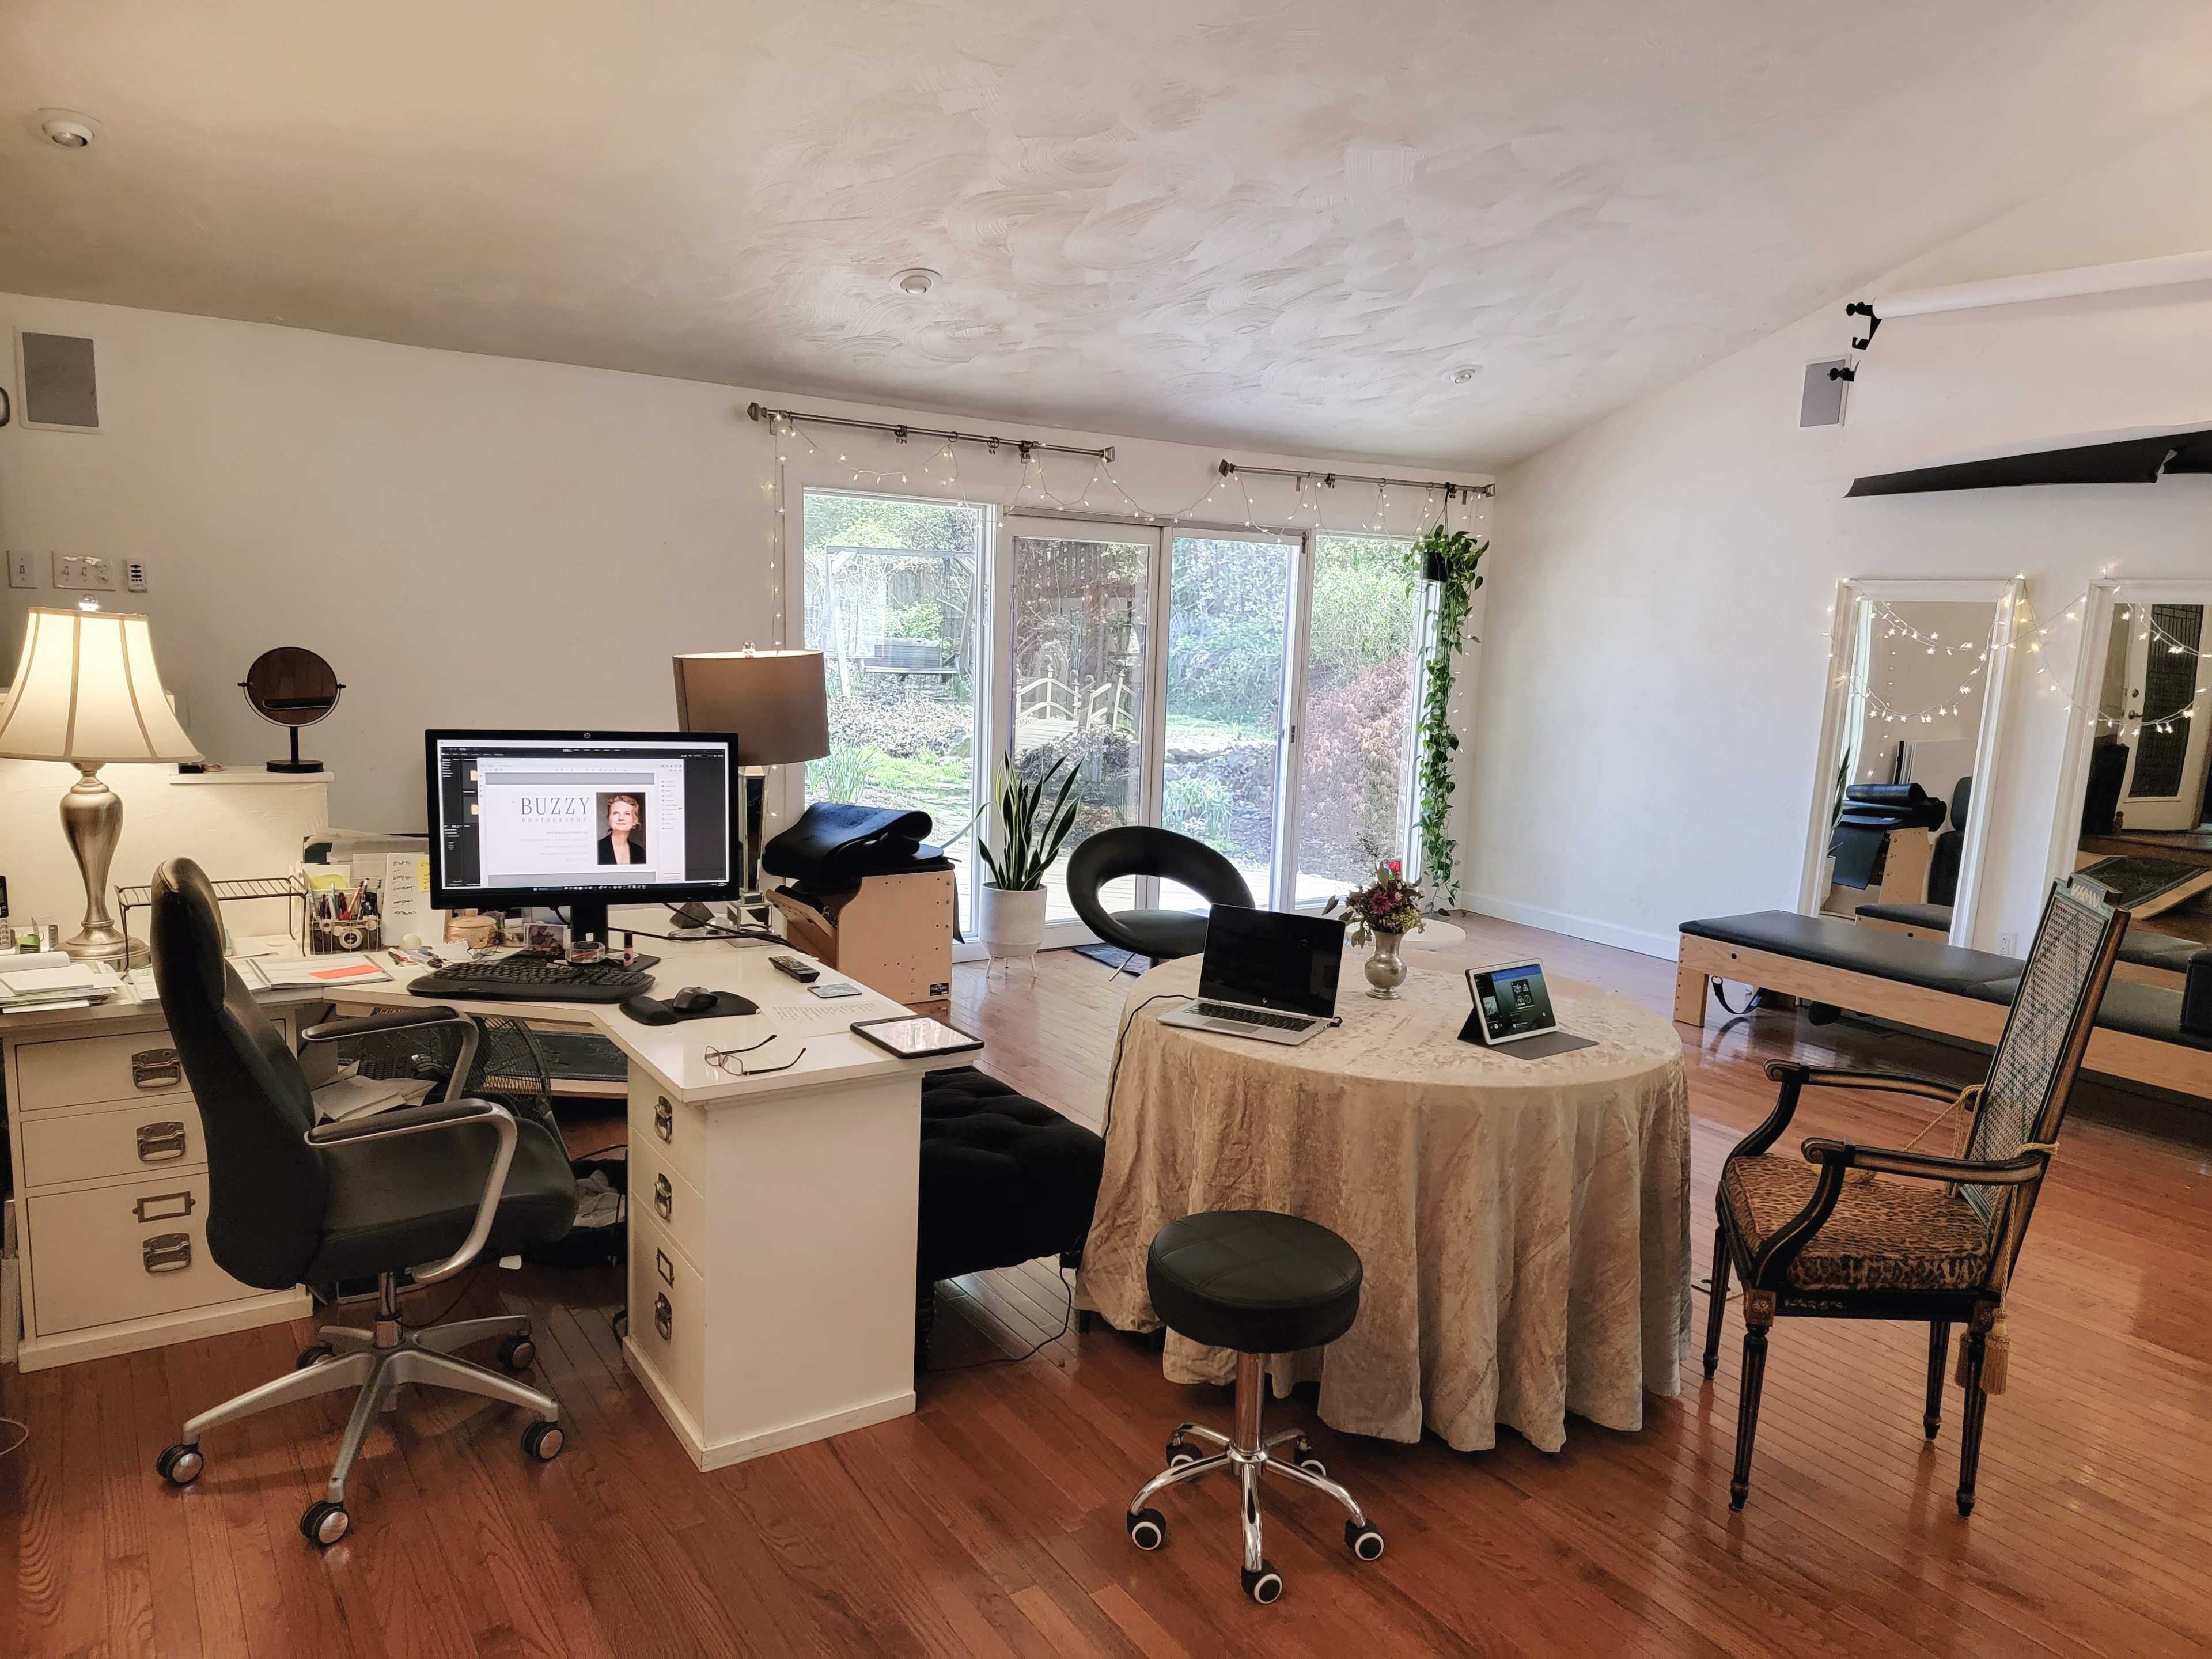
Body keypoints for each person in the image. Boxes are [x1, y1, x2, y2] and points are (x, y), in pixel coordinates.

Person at [597, 793, 647, 865]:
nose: (621, 818)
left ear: (635, 821)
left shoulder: (639, 852)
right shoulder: (597, 849)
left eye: (627, 813)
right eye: (616, 813)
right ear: (609, 820)